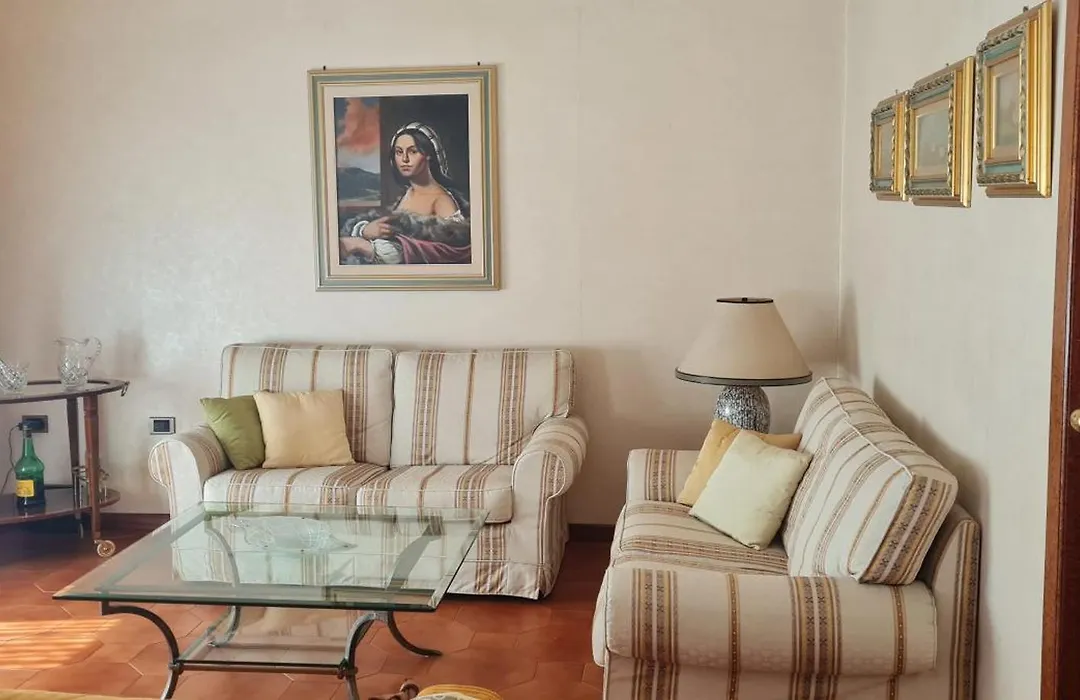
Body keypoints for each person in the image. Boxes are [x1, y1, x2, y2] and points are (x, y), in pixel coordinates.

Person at [339, 121, 471, 265]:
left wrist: (362, 245)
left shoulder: (441, 199)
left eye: (413, 151)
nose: (405, 159)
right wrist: (365, 230)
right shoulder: (408, 193)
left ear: (428, 155)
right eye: (399, 152)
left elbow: (452, 252)